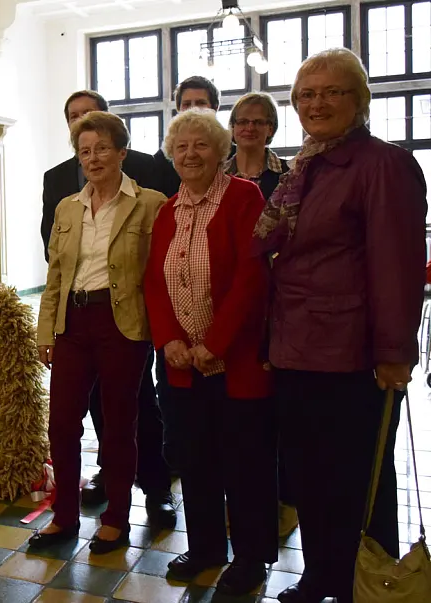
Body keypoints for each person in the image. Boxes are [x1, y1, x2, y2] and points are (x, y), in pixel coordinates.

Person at [254, 48, 427, 603]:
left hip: (352, 357)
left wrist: (394, 352)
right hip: (294, 349)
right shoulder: (304, 166)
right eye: (306, 94)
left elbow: (397, 265)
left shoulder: (383, 165)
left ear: (360, 100)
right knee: (308, 476)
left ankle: (365, 583)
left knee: (360, 482)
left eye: (332, 92)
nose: (317, 103)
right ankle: (321, 574)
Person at [145, 109, 277, 596]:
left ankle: (251, 558)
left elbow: (251, 278)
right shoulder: (167, 211)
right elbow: (154, 282)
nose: (190, 154)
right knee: (194, 459)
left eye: (200, 145)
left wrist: (213, 344)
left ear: (221, 150)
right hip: (182, 365)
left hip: (235, 362)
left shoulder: (244, 197)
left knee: (245, 463)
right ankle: (204, 548)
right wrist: (170, 340)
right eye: (181, 147)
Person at [40, 90, 174, 527]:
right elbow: (56, 275)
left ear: (122, 152)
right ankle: (64, 516)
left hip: (122, 324)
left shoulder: (151, 203)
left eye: (101, 149)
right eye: (85, 151)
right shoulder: (68, 207)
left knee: (120, 425)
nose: (93, 158)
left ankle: (117, 516)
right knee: (62, 424)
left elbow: (162, 273)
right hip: (72, 323)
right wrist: (45, 331)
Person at [223, 92, 297, 539]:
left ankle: (283, 501)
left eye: (258, 121)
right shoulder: (217, 173)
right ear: (232, 128)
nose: (249, 128)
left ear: (271, 128)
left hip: (276, 300)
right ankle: (241, 500)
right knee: (236, 413)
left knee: (276, 409)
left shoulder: (288, 175)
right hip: (228, 297)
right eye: (242, 121)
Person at [151, 76, 222, 198]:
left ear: (215, 108)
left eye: (200, 103)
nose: (193, 109)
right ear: (179, 109)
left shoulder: (232, 152)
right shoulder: (162, 159)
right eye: (187, 104)